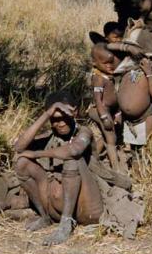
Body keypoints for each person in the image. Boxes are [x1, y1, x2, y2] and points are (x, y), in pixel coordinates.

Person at [13, 91, 103, 245]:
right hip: (56, 206)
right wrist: (47, 114)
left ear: (75, 113)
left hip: (86, 208)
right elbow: (19, 148)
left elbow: (73, 151)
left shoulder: (84, 132)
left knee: (71, 159)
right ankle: (45, 216)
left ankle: (65, 225)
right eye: (55, 119)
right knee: (22, 162)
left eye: (65, 118)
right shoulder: (50, 135)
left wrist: (37, 153)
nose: (60, 123)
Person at [87, 42, 127, 173]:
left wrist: (118, 112)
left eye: (112, 62)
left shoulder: (110, 76)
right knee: (111, 138)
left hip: (110, 111)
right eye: (105, 63)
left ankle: (92, 158)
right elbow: (98, 100)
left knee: (107, 137)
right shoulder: (98, 78)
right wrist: (104, 116)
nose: (110, 66)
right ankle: (116, 169)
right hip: (101, 110)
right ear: (95, 63)